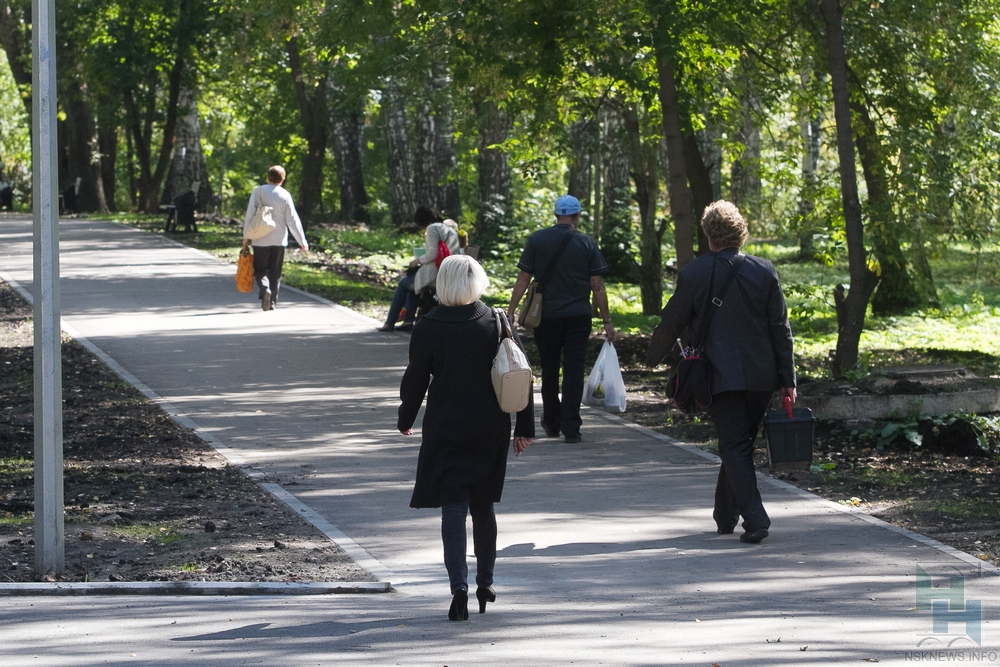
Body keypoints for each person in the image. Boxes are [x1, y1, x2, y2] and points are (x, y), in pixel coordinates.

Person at [645, 200, 796, 544]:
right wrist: (788, 380)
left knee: (735, 446)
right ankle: (725, 515)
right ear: (741, 233)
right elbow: (780, 329)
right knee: (738, 445)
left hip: (718, 375)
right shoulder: (765, 270)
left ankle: (756, 520)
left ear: (709, 236)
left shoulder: (694, 272)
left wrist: (652, 358)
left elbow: (672, 321)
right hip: (762, 375)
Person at [398, 255, 534, 621]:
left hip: (445, 428)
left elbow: (416, 379)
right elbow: (520, 372)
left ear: (443, 283)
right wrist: (524, 427)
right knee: (484, 505)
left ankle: (458, 587)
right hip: (489, 428)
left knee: (453, 509)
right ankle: (486, 581)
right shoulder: (496, 321)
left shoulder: (428, 325)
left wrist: (405, 417)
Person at [507, 194, 615, 443]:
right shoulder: (587, 243)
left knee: (549, 367)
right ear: (577, 216)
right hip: (578, 316)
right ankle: (572, 428)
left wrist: (511, 310)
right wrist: (607, 321)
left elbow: (524, 278)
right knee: (574, 369)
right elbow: (597, 286)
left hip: (546, 316)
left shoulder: (537, 239)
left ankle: (552, 422)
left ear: (556, 215)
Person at [378, 207, 461, 332]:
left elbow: (433, 253)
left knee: (403, 283)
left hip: (436, 273)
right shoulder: (449, 229)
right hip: (449, 271)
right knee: (413, 285)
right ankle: (408, 321)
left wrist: (417, 261)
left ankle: (389, 322)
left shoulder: (432, 228)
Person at [242, 165, 308, 311]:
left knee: (260, 270)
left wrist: (246, 236)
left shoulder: (257, 191)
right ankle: (271, 303)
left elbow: (250, 214)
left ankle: (265, 289)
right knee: (275, 272)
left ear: (267, 177)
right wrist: (302, 241)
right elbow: (292, 220)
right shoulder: (285, 195)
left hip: (260, 239)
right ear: (282, 179)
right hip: (279, 240)